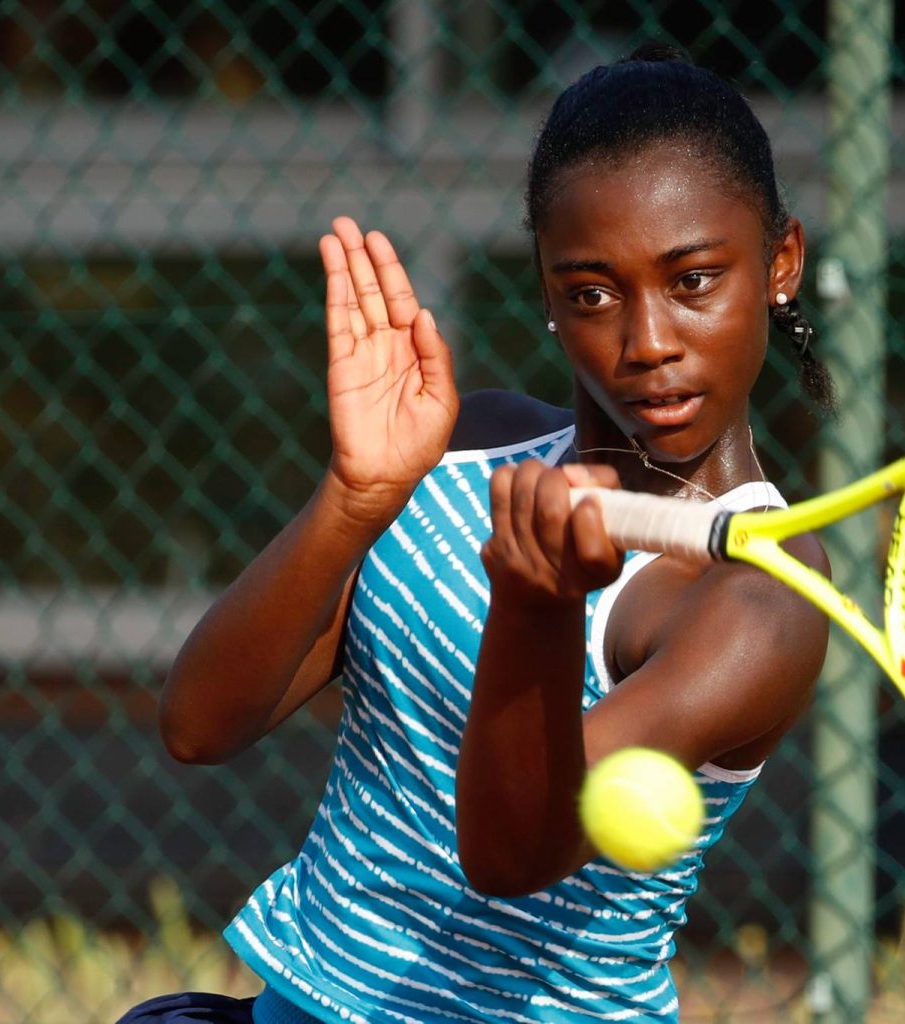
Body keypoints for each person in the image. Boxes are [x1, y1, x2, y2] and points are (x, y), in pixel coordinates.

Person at [120, 43, 833, 1024]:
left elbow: (515, 854)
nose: (649, 341)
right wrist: (354, 498)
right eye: (591, 292)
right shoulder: (465, 447)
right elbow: (199, 725)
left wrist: (536, 610)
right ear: (544, 290)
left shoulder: (761, 593)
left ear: (781, 262)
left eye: (694, 279)